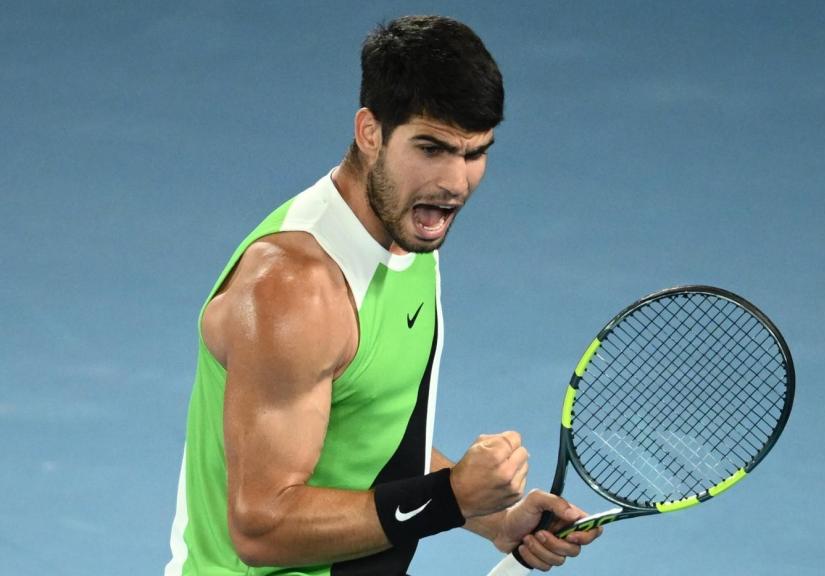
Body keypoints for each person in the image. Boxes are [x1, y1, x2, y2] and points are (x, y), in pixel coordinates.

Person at [165, 15, 600, 576]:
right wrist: (450, 499)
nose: (456, 183)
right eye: (432, 148)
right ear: (370, 132)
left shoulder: (408, 230)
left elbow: (371, 435)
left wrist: (495, 518)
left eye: (475, 154)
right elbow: (260, 527)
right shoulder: (295, 288)